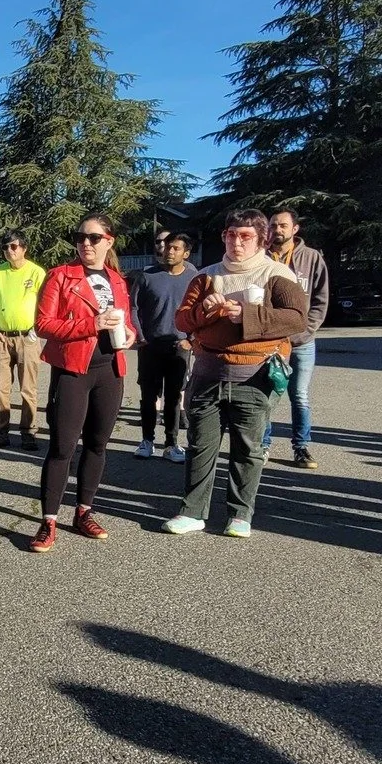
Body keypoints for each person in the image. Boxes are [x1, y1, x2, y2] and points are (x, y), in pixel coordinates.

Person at [161, 210, 310, 538]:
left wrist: (248, 314)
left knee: (248, 448)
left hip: (255, 376)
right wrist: (206, 310)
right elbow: (183, 321)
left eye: (245, 236)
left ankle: (240, 514)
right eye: (231, 234)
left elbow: (297, 318)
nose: (236, 242)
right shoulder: (207, 276)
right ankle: (193, 511)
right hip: (207, 374)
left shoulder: (277, 274)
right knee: (200, 445)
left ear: (261, 239)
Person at [28, 213, 137, 552]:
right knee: (62, 448)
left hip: (110, 369)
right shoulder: (61, 276)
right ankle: (48, 521)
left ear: (109, 241)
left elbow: (126, 322)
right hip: (73, 369)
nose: (85, 243)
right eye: (80, 237)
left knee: (97, 445)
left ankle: (84, 511)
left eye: (93, 238)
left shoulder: (118, 281)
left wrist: (130, 333)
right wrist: (93, 323)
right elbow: (44, 325)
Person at [262, 209, 331, 469]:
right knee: (266, 396)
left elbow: (321, 300)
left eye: (283, 225)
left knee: (299, 396)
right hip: (269, 342)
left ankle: (301, 447)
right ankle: (263, 445)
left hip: (302, 343)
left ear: (295, 229)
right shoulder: (261, 258)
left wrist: (306, 330)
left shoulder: (311, 258)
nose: (277, 229)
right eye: (273, 225)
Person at [130, 232, 194, 462]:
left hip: (179, 346)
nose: (169, 251)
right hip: (150, 346)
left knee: (174, 397)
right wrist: (141, 337)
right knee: (148, 396)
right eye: (167, 247)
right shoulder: (147, 276)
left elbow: (200, 313)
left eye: (175, 248)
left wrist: (191, 340)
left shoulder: (194, 277)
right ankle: (147, 440)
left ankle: (171, 443)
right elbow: (133, 308)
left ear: (186, 253)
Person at [0, 232, 48, 449]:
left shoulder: (37, 272)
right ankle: (1, 432)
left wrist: (35, 331)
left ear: (24, 248)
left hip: (27, 337)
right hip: (2, 338)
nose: (9, 251)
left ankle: (29, 433)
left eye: (13, 246)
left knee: (28, 388)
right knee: (0, 388)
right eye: (5, 247)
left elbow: (45, 305)